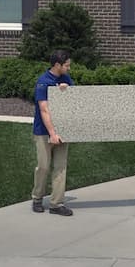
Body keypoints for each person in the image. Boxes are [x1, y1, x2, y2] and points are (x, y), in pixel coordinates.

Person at [31, 50, 75, 216]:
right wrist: (53, 134)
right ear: (57, 65)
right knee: (43, 166)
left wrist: (66, 90)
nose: (69, 68)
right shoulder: (43, 82)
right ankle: (37, 198)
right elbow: (44, 110)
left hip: (63, 130)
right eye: (66, 65)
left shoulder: (66, 79)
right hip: (44, 132)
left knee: (60, 167)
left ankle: (56, 204)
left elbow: (75, 100)